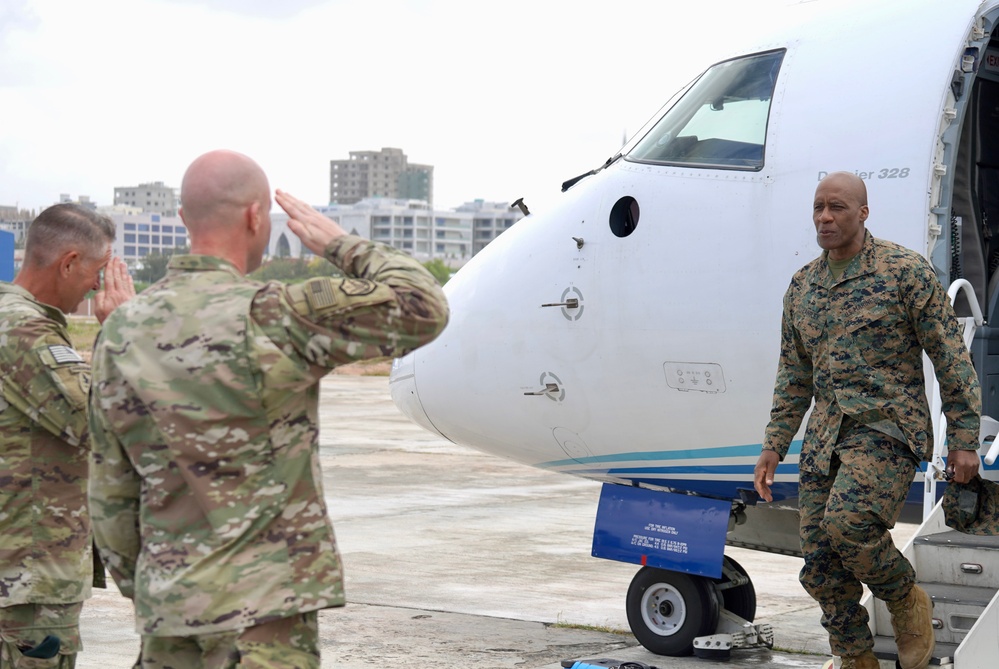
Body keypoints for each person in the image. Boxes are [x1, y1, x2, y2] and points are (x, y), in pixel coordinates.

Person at [87, 149, 449, 668]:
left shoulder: (122, 328)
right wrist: (339, 243)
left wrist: (149, 586)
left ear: (185, 219)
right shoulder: (277, 314)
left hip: (168, 608)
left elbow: (110, 489)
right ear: (257, 217)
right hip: (264, 618)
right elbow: (424, 306)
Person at [753, 172, 982, 669]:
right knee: (818, 565)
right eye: (818, 208)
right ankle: (855, 657)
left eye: (837, 207)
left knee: (849, 525)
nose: (825, 217)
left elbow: (950, 357)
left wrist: (963, 438)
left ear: (863, 212)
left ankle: (905, 599)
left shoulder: (903, 272)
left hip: (888, 428)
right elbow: (793, 371)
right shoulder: (803, 286)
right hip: (824, 438)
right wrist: (775, 442)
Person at [0, 203, 134, 668]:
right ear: (69, 262)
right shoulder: (24, 331)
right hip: (25, 584)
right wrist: (121, 332)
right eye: (98, 271)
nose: (98, 285)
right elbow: (104, 423)